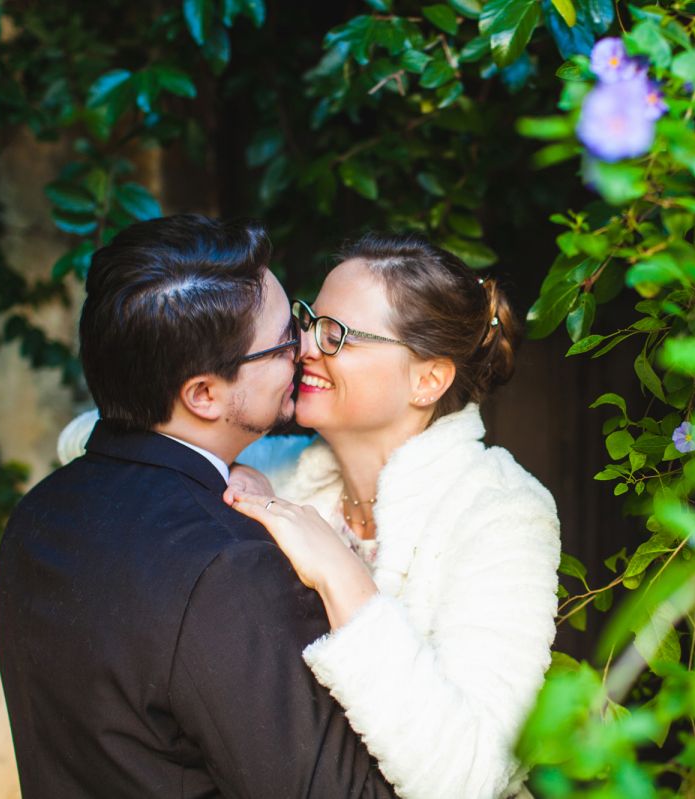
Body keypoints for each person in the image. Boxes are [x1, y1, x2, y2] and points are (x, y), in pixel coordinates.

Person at [0, 215, 396, 798]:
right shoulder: (229, 563)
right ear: (204, 394)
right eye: (286, 342)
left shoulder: (40, 513)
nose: (309, 351)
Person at [223, 234, 562, 799]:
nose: (304, 345)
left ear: (427, 380)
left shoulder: (502, 511)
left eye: (337, 335)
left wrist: (341, 576)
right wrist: (217, 463)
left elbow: (470, 777)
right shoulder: (276, 473)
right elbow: (104, 442)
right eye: (308, 322)